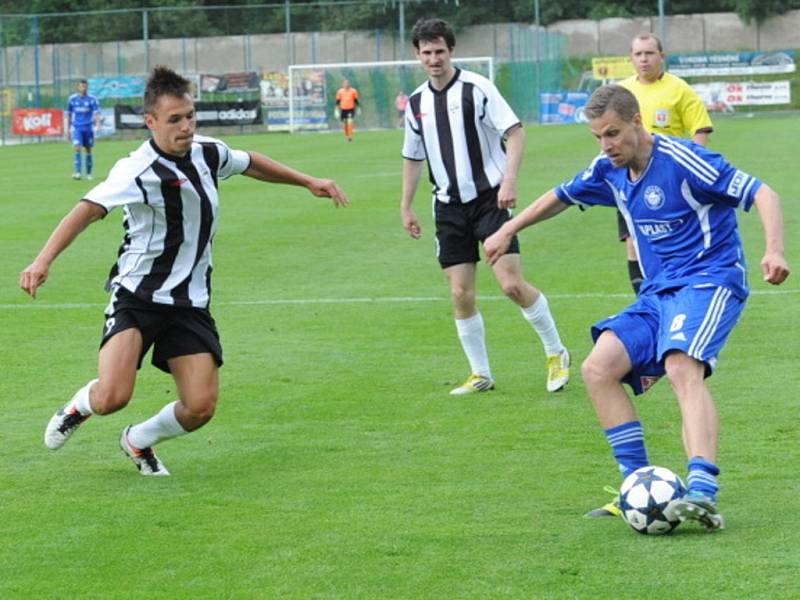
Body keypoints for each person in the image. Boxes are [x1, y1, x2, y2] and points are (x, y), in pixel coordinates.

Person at [484, 84, 790, 531]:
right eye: (598, 137)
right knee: (597, 368)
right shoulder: (608, 169)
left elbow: (764, 193)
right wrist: (508, 227)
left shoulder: (685, 161)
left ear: (637, 123)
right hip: (656, 293)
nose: (607, 146)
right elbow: (562, 195)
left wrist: (775, 250)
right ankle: (636, 485)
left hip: (709, 281)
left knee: (683, 366)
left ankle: (702, 488)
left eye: (613, 134)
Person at [20, 66, 348, 476]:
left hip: (190, 301)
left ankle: (138, 440)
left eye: (190, 116)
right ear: (151, 121)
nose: (186, 126)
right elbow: (86, 211)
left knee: (200, 408)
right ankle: (78, 407)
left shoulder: (208, 152)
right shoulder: (136, 169)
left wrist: (307, 181)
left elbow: (250, 163)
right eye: (175, 119)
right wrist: (43, 260)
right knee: (113, 397)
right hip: (137, 296)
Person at [400, 18, 570, 396]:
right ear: (417, 55)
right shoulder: (415, 103)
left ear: (451, 51)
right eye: (426, 53)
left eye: (439, 51)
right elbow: (413, 157)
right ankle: (481, 373)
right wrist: (406, 205)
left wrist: (509, 179)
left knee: (510, 284)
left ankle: (556, 352)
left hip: (489, 201)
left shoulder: (477, 88)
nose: (433, 59)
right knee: (460, 294)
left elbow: (515, 131)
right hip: (447, 207)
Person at [617, 33, 714, 294]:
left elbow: (700, 130)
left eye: (649, 53)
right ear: (631, 58)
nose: (644, 59)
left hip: (670, 178)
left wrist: (690, 167)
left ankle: (684, 290)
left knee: (673, 238)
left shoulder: (679, 89)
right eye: (638, 54)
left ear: (662, 56)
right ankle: (645, 299)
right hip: (632, 177)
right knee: (633, 241)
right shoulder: (622, 92)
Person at [66, 78, 102, 180]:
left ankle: (89, 173)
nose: (83, 88)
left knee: (88, 150)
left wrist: (98, 124)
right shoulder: (72, 99)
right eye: (81, 86)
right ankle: (77, 173)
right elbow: (68, 114)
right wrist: (67, 129)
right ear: (78, 87)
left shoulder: (92, 99)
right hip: (77, 128)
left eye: (85, 86)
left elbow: (96, 113)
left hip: (88, 128)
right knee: (77, 147)